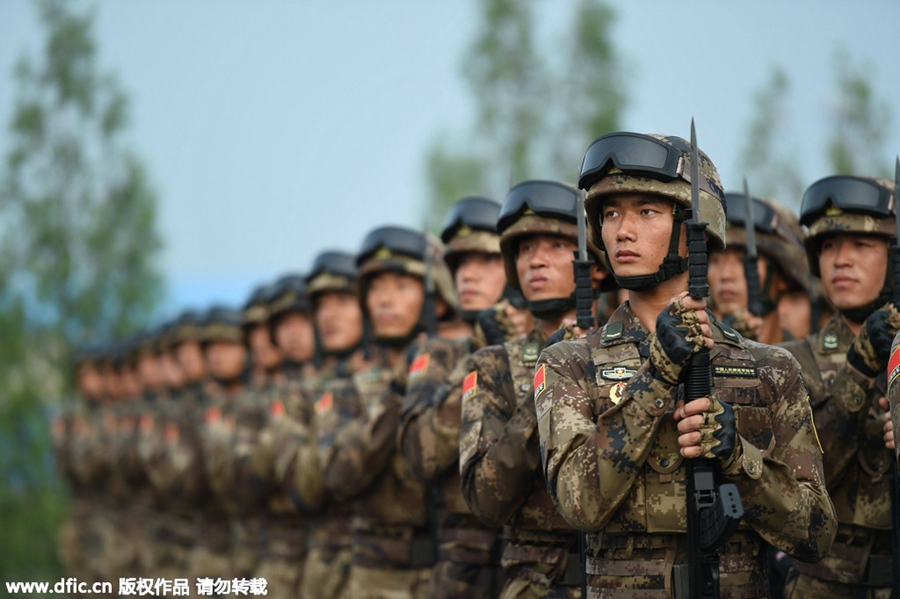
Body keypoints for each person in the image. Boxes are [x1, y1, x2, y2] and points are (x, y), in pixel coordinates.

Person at [535, 131, 835, 598]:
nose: (622, 231)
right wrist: (656, 376)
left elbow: (816, 533)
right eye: (611, 213)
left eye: (646, 211)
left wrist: (741, 460)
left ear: (695, 230)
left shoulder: (771, 369)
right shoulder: (570, 362)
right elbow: (578, 502)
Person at [459, 180, 611, 599]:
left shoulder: (630, 350)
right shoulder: (491, 366)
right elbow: (486, 499)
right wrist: (548, 379)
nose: (535, 261)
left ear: (595, 266)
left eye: (556, 246)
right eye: (524, 249)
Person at [779, 174, 900, 598]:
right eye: (828, 246)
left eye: (861, 246)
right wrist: (862, 365)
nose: (840, 260)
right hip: (824, 585)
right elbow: (803, 476)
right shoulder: (789, 360)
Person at [323, 225, 458, 599]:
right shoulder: (349, 387)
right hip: (376, 580)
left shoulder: (464, 372)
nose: (385, 300)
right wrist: (398, 390)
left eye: (401, 286)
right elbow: (338, 475)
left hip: (454, 576)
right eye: (376, 288)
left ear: (438, 300)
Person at [399, 196, 511, 599]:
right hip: (462, 572)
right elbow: (420, 453)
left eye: (486, 261)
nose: (468, 275)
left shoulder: (556, 348)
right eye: (460, 263)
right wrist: (479, 357)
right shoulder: (439, 356)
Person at [707, 193, 809, 344]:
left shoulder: (809, 364)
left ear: (783, 278)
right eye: (715, 260)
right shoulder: (691, 358)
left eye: (744, 261)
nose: (726, 275)